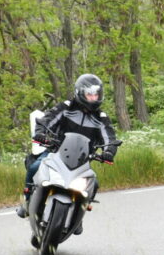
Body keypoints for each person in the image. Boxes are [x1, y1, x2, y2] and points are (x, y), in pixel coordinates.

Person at [17, 73, 119, 218]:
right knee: (35, 166)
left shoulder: (101, 118)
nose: (93, 98)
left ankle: (78, 215)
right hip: (56, 153)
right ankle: (27, 202)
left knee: (93, 183)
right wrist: (41, 133)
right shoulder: (66, 108)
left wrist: (108, 152)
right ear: (80, 92)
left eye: (96, 94)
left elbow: (109, 138)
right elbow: (47, 120)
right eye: (89, 94)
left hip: (82, 161)